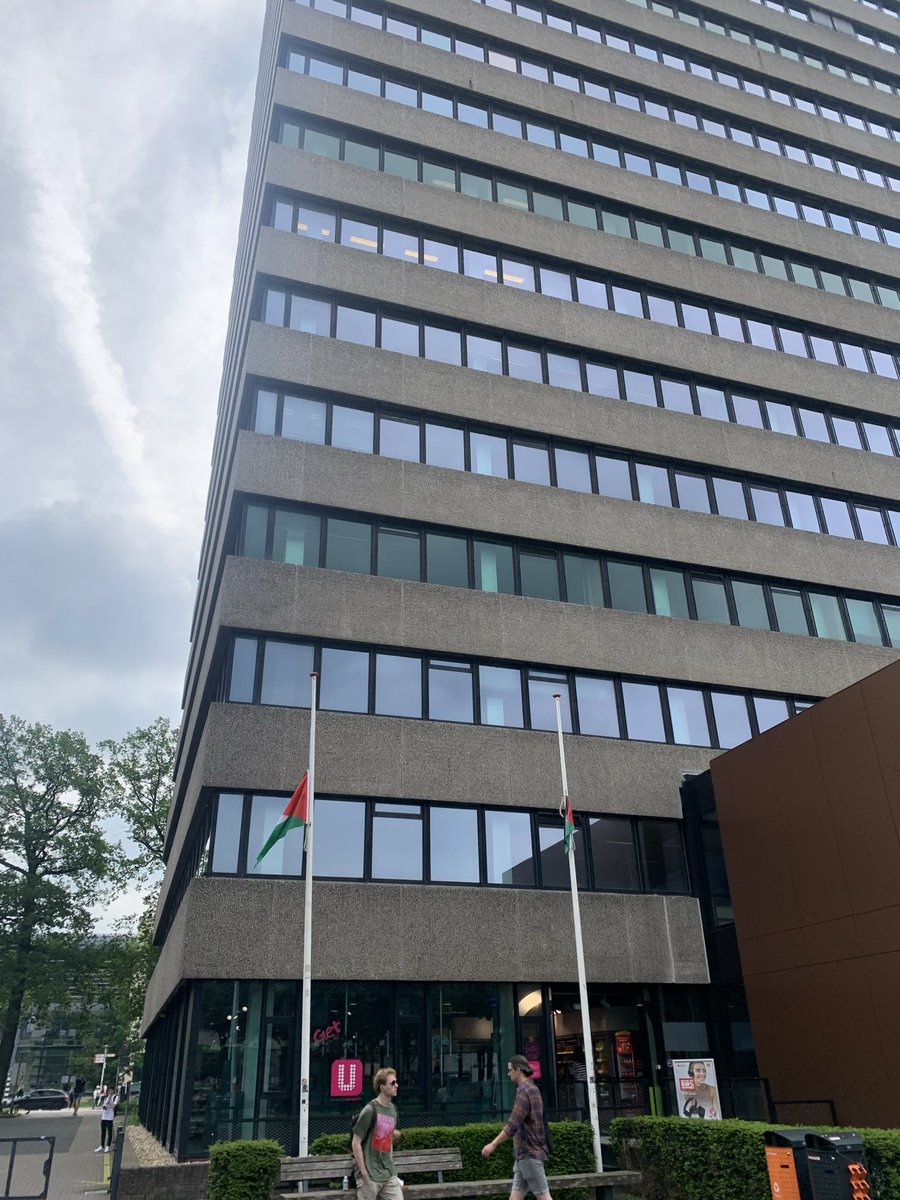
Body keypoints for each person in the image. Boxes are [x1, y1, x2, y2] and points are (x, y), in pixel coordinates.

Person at [481, 1056, 552, 1200]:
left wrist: (493, 1144)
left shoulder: (524, 1092)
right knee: (515, 1198)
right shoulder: (533, 1089)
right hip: (525, 1154)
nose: (508, 1073)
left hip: (528, 1153)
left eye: (510, 1070)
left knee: (544, 1197)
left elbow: (512, 1125)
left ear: (518, 1070)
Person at [351, 1067, 402, 1200]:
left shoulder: (393, 1110)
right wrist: (364, 1173)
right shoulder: (370, 1110)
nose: (396, 1085)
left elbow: (389, 1139)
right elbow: (356, 1142)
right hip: (370, 1174)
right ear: (382, 1087)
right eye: (392, 1083)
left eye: (396, 1082)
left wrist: (391, 1167)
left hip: (387, 1174)